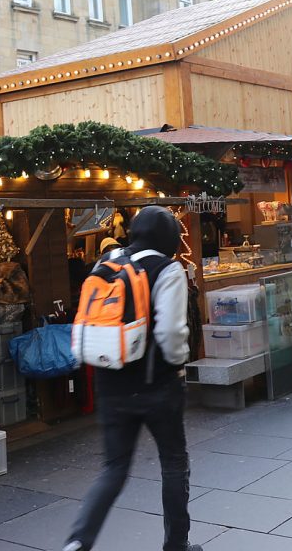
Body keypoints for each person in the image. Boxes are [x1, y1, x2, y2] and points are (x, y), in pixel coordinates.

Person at [64, 205, 200, 551]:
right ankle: (176, 545)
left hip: (110, 382)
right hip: (158, 386)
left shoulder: (106, 263)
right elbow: (170, 332)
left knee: (113, 467)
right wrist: (178, 363)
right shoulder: (167, 269)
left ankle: (79, 541)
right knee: (173, 462)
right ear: (168, 236)